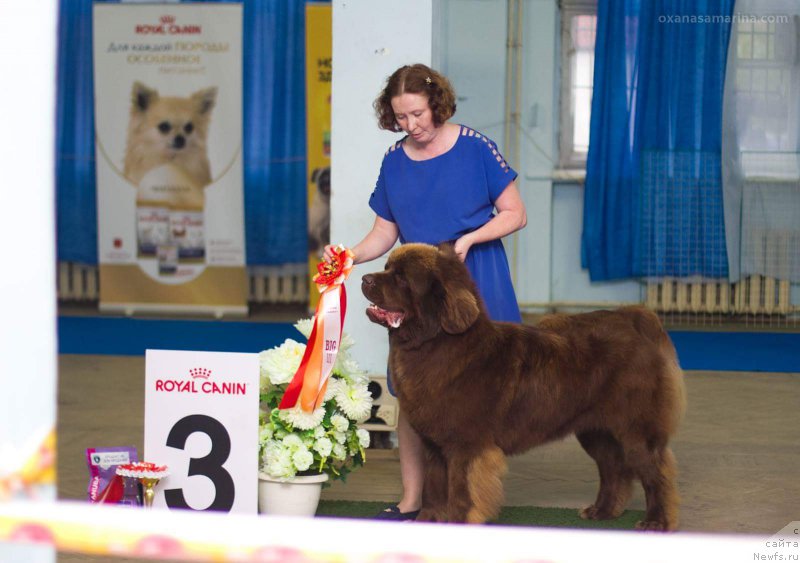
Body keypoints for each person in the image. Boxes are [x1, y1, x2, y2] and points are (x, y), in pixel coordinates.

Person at [324, 63, 526, 521]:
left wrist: (472, 239)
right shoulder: (394, 160)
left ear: (437, 104)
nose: (410, 126)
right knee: (415, 392)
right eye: (400, 117)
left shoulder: (476, 148)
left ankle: (470, 497)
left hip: (474, 278)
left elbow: (515, 212)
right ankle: (414, 499)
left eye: (417, 114)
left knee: (480, 392)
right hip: (416, 296)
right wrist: (350, 256)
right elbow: (384, 231)